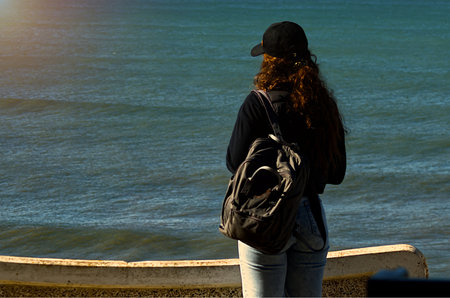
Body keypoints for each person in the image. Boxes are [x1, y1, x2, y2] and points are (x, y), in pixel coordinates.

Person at [226, 21, 346, 297]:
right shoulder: (324, 105)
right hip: (310, 216)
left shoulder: (257, 103)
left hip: (264, 217)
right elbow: (337, 173)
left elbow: (234, 162)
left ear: (270, 61)